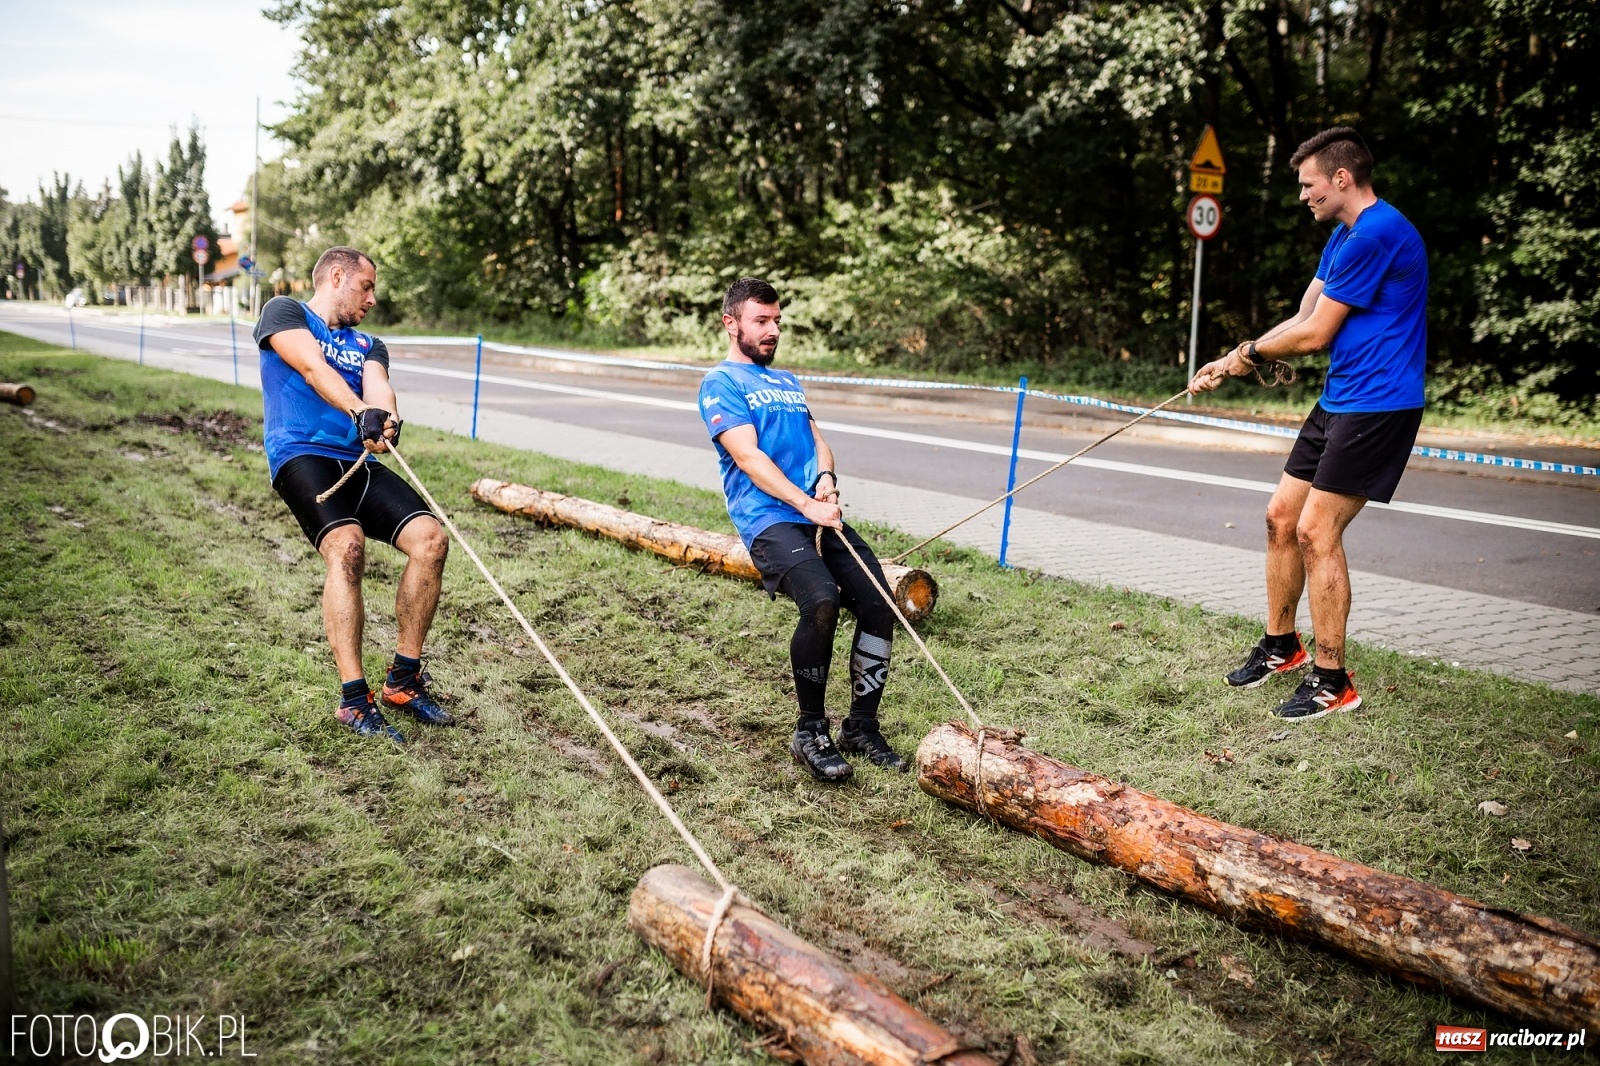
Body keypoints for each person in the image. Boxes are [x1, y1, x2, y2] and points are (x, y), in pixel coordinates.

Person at [1190, 127, 1428, 723]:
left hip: (1379, 405)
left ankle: (1333, 680)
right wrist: (1233, 358)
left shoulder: (1377, 233)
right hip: (1341, 398)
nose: (1303, 196)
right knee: (1281, 517)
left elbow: (1317, 335)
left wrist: (1246, 354)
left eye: (1308, 184)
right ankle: (1281, 646)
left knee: (1317, 532)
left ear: (1341, 178)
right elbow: (1303, 315)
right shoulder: (1345, 235)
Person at [698, 278, 905, 780]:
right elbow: (748, 457)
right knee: (821, 600)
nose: (772, 330)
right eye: (761, 321)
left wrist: (826, 480)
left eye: (777, 321)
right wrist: (805, 504)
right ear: (731, 323)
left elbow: (818, 443)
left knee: (879, 601)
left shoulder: (787, 381)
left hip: (814, 510)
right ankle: (810, 731)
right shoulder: (721, 383)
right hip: (768, 519)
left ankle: (861, 728)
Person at [254, 246, 452, 743]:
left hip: (358, 462)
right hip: (302, 455)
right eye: (366, 287)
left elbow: (378, 386)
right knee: (347, 547)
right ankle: (354, 700)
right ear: (337, 276)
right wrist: (358, 411)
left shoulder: (368, 343)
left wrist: (385, 418)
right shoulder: (284, 312)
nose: (372, 298)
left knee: (431, 540)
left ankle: (403, 681)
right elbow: (312, 368)